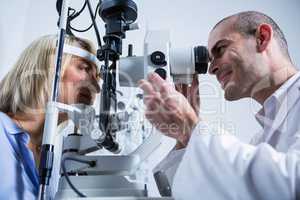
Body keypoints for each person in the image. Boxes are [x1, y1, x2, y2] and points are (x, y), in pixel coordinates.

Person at [139, 11, 300, 199]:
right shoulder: (264, 137)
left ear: (262, 38)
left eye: (221, 49)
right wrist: (185, 139)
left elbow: (292, 184)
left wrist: (191, 127)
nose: (211, 68)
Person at [0, 34, 101, 199]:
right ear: (46, 68)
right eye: (83, 68)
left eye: (97, 77)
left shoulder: (56, 158)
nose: (96, 87)